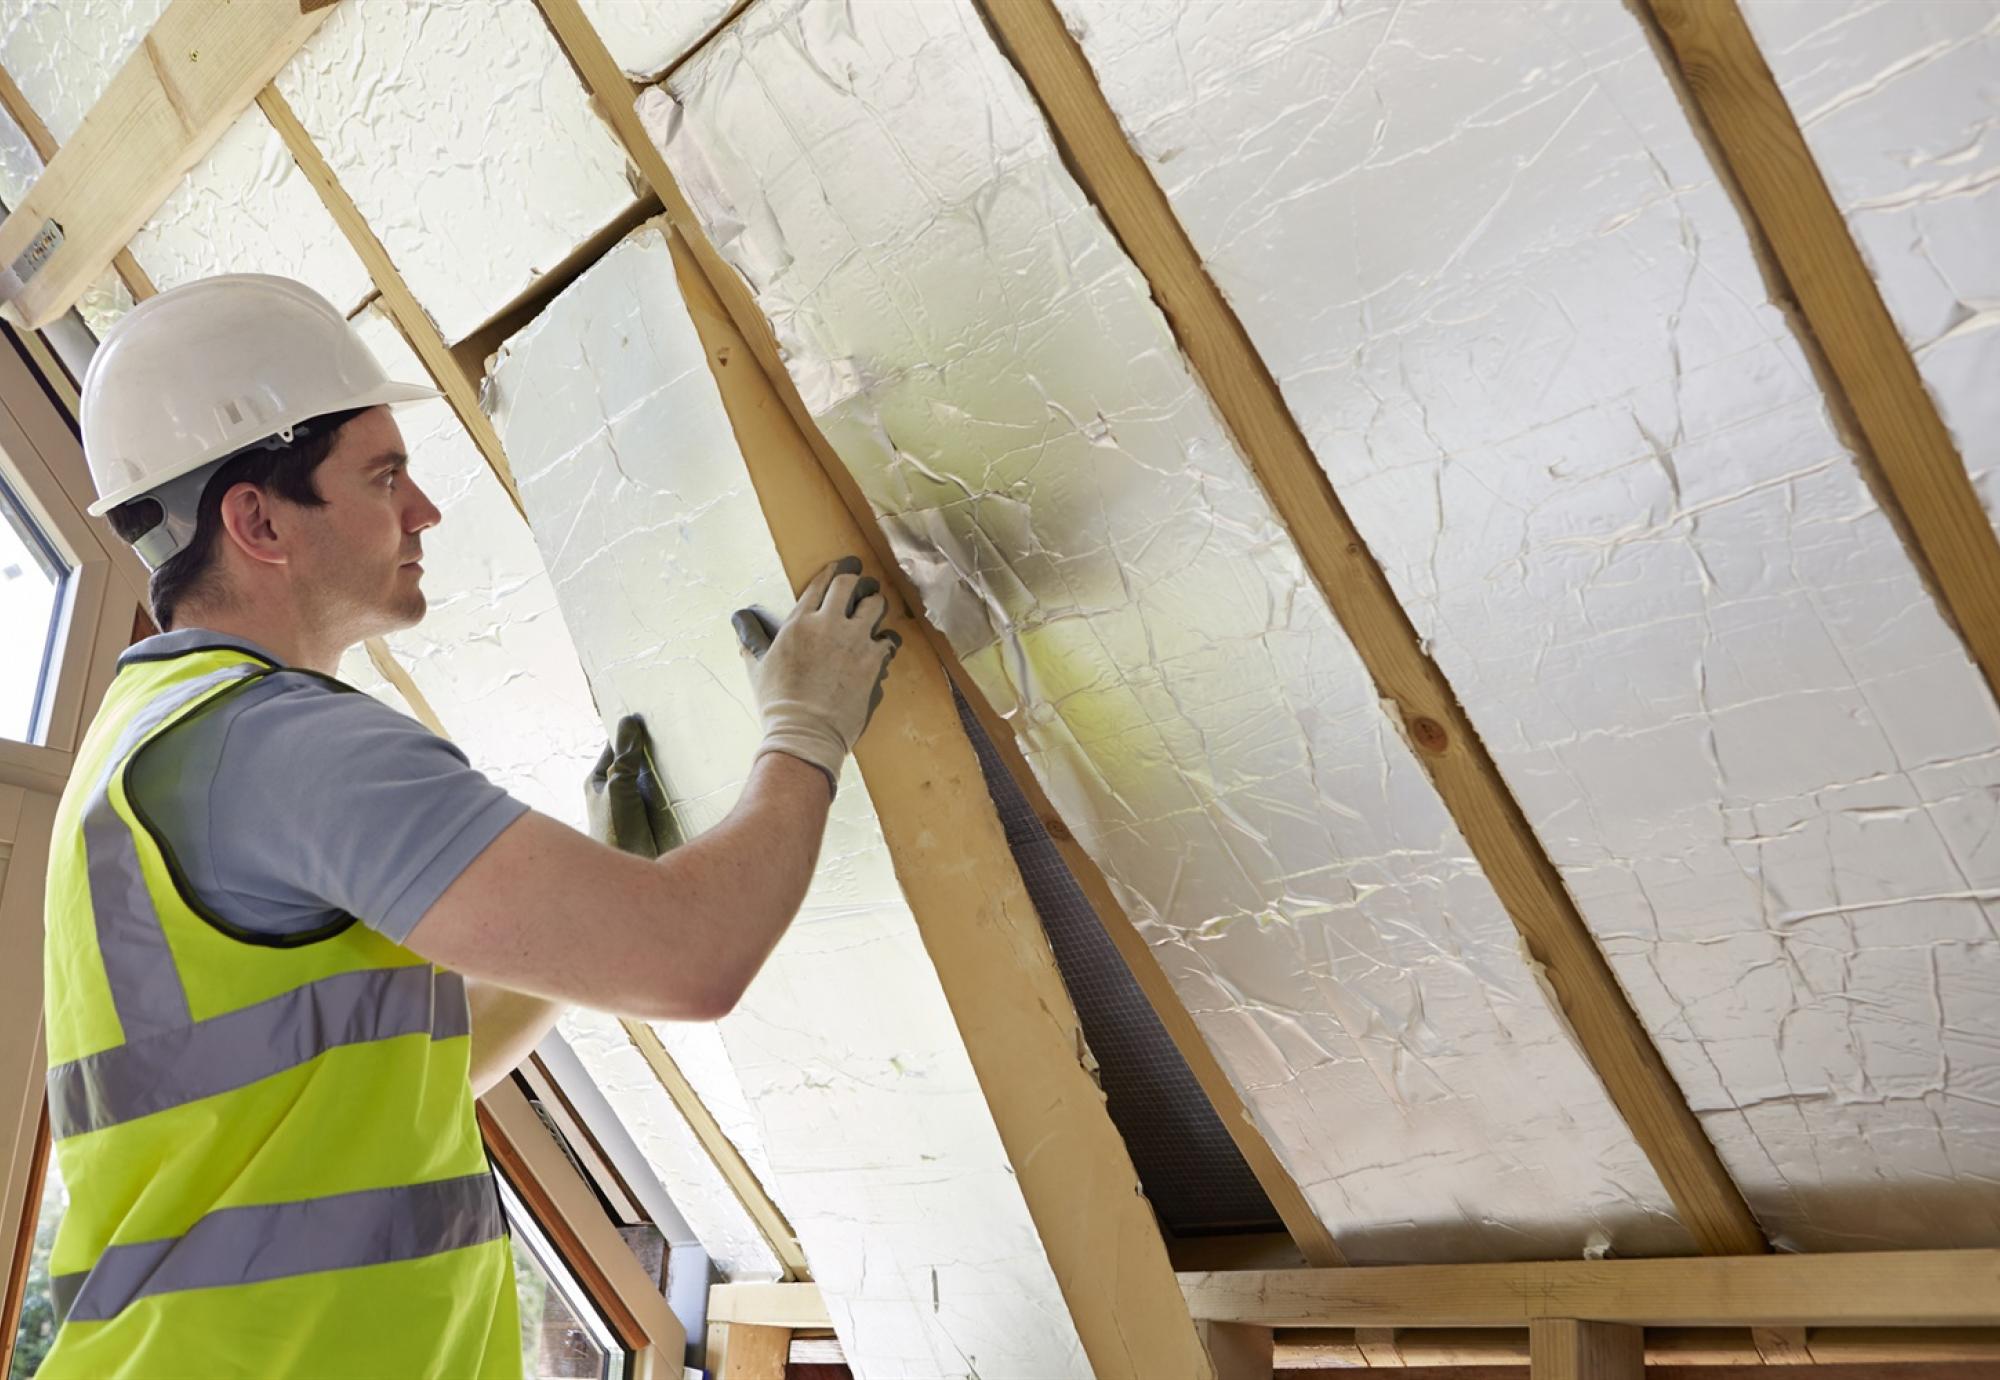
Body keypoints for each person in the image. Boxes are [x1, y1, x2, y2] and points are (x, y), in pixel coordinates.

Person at [36, 274, 897, 1378]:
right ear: (256, 520)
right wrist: (805, 728)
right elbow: (693, 960)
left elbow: (388, 1093)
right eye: (383, 474)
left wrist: (579, 925)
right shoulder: (286, 749)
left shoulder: (141, 746)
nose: (424, 509)